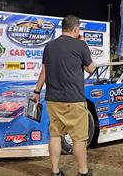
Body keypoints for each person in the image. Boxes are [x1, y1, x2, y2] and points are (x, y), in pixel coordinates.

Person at [33, 15, 96, 176]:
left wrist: (37, 91)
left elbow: (44, 71)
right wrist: (86, 46)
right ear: (76, 29)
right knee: (79, 139)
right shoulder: (80, 45)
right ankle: (83, 172)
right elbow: (90, 69)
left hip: (53, 100)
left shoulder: (49, 46)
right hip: (73, 100)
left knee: (55, 135)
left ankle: (55, 172)